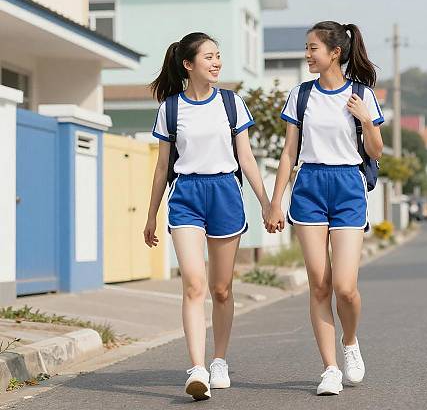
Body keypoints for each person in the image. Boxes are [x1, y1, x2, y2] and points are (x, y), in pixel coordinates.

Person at [144, 32, 270, 401]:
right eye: (209, 57)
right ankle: (197, 367)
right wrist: (151, 215)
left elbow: (246, 158)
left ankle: (218, 360)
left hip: (225, 195)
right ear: (188, 64)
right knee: (194, 284)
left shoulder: (232, 104)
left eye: (219, 56)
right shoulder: (170, 108)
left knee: (221, 288)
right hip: (185, 196)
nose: (216, 62)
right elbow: (162, 166)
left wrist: (266, 202)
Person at [266, 21, 384, 396]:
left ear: (335, 52)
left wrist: (366, 119)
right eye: (306, 47)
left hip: (348, 187)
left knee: (345, 287)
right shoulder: (300, 96)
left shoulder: (362, 94)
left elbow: (376, 151)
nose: (307, 54)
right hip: (310, 188)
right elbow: (288, 153)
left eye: (312, 48)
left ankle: (350, 342)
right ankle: (330, 367)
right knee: (320, 284)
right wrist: (275, 201)